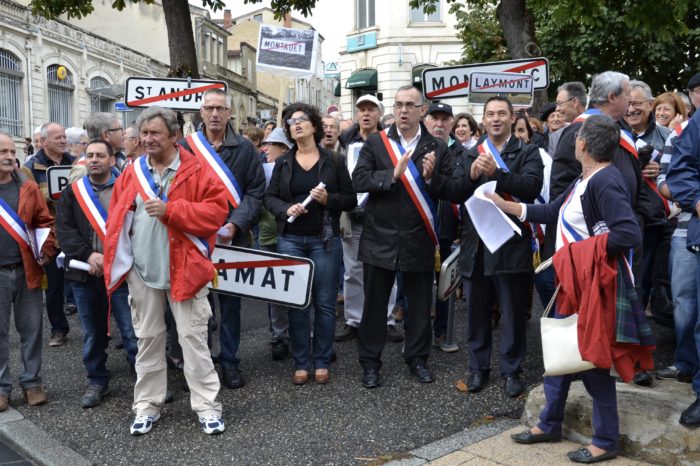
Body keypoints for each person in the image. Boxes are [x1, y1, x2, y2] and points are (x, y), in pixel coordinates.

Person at [501, 114, 650, 463]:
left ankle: (605, 439)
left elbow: (629, 234)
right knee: (559, 351)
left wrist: (575, 254)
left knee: (591, 360)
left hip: (589, 282)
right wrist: (510, 207)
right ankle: (548, 423)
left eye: (576, 137)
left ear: (582, 144)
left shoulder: (604, 181)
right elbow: (554, 211)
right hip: (575, 281)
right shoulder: (587, 177)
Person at [102, 106, 229, 435]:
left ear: (174, 136)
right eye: (143, 134)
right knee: (148, 340)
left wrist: (173, 210)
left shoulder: (197, 169)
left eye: (155, 133)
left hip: (185, 270)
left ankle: (207, 406)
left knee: (193, 340)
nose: (147, 139)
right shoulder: (132, 170)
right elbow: (117, 217)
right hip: (142, 272)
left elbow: (216, 213)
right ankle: (147, 405)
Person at [441, 97, 543, 397]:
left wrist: (496, 175)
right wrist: (472, 175)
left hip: (510, 245)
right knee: (477, 314)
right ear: (482, 120)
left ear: (512, 118)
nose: (495, 119)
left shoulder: (528, 151)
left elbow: (531, 187)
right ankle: (478, 368)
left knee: (512, 314)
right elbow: (455, 193)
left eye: (501, 113)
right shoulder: (470, 153)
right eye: (489, 114)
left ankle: (512, 370)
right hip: (476, 246)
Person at [352, 85, 452, 388]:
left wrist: (434, 177)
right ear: (392, 109)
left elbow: (449, 189)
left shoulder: (436, 146)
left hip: (418, 236)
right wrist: (390, 176)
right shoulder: (376, 143)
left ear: (422, 110)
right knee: (374, 305)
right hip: (379, 238)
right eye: (398, 105)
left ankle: (418, 359)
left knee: (420, 305)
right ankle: (370, 363)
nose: (403, 110)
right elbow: (358, 180)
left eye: (410, 104)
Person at [264, 102, 356, 385]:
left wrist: (329, 200)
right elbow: (270, 198)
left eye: (303, 119)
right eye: (291, 121)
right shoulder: (282, 162)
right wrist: (286, 209)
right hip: (290, 240)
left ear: (315, 126)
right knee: (298, 304)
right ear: (289, 131)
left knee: (326, 303)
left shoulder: (334, 161)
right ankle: (302, 361)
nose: (297, 123)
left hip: (324, 240)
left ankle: (322, 359)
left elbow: (350, 200)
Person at [179, 88, 265, 390]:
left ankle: (229, 361)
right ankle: (202, 364)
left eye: (221, 109)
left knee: (230, 306)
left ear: (230, 114)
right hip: (195, 240)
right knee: (199, 307)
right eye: (209, 108)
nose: (215, 114)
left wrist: (235, 224)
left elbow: (256, 193)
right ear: (201, 112)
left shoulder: (245, 149)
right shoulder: (185, 147)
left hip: (232, 240)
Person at [56, 139, 138, 408]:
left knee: (131, 330)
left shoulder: (127, 189)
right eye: (89, 155)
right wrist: (89, 255)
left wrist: (115, 259)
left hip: (122, 273)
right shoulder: (72, 193)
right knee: (93, 332)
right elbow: (65, 231)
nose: (94, 160)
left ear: (112, 160)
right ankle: (97, 381)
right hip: (85, 273)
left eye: (100, 155)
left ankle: (144, 381)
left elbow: (136, 229)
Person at [335, 94, 403, 344]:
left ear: (378, 113)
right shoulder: (344, 142)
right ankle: (354, 319)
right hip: (353, 215)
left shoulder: (390, 141)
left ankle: (387, 319)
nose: (365, 114)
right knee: (352, 270)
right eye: (361, 110)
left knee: (386, 268)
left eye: (371, 110)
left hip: (381, 214)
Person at [0, 132, 56, 411]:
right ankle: (1, 388)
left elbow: (45, 221)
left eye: (11, 151)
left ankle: (32, 382)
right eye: (3, 152)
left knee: (32, 330)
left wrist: (47, 249)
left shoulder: (28, 187)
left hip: (27, 270)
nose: (10, 156)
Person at [665, 70, 700, 428]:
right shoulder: (694, 126)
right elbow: (678, 172)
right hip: (692, 231)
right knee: (688, 306)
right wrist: (697, 201)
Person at [24, 122, 74, 347]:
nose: (63, 141)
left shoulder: (75, 163)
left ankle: (100, 328)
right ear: (43, 142)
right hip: (50, 235)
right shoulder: (31, 167)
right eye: (57, 138)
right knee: (54, 286)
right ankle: (58, 329)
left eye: (64, 137)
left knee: (87, 283)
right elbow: (29, 203)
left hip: (75, 231)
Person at [423, 102, 461, 352]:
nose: (439, 123)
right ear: (426, 121)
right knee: (419, 286)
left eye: (444, 119)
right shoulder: (417, 147)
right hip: (421, 228)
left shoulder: (464, 152)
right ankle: (419, 335)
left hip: (448, 229)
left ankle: (442, 332)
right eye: (434, 118)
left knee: (446, 283)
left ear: (451, 124)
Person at [259, 128, 294, 360]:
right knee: (275, 289)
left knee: (297, 285)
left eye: (270, 144)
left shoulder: (294, 168)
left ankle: (301, 333)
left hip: (291, 234)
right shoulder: (260, 170)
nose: (265, 148)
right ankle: (279, 335)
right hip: (268, 235)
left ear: (283, 149)